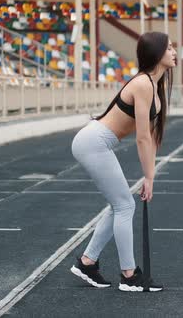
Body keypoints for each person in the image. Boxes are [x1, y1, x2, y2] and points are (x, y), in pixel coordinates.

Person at [69, 32, 176, 292]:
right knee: (125, 206)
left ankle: (87, 262)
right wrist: (148, 177)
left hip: (98, 142)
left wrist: (151, 176)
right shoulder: (143, 84)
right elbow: (141, 138)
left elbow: (151, 137)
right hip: (93, 141)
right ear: (157, 53)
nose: (174, 51)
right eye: (170, 47)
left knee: (118, 205)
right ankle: (129, 275)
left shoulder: (155, 86)